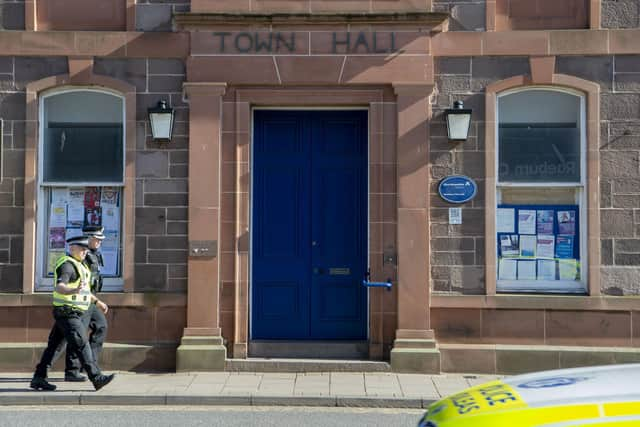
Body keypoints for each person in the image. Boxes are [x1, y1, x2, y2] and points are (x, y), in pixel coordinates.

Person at [30, 236, 115, 391]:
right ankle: (96, 377)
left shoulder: (81, 266)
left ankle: (38, 378)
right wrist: (73, 290)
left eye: (86, 249)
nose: (84, 252)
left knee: (54, 346)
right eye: (81, 249)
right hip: (67, 312)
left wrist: (97, 302)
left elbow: (85, 291)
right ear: (72, 248)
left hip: (72, 312)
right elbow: (60, 287)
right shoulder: (67, 266)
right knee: (81, 343)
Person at [58, 225, 108, 382]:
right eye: (97, 239)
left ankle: (88, 364)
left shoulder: (94, 254)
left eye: (101, 239)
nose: (99, 242)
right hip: (80, 300)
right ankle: (73, 370)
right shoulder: (81, 256)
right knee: (77, 337)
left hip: (90, 299)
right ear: (89, 238)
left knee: (101, 326)